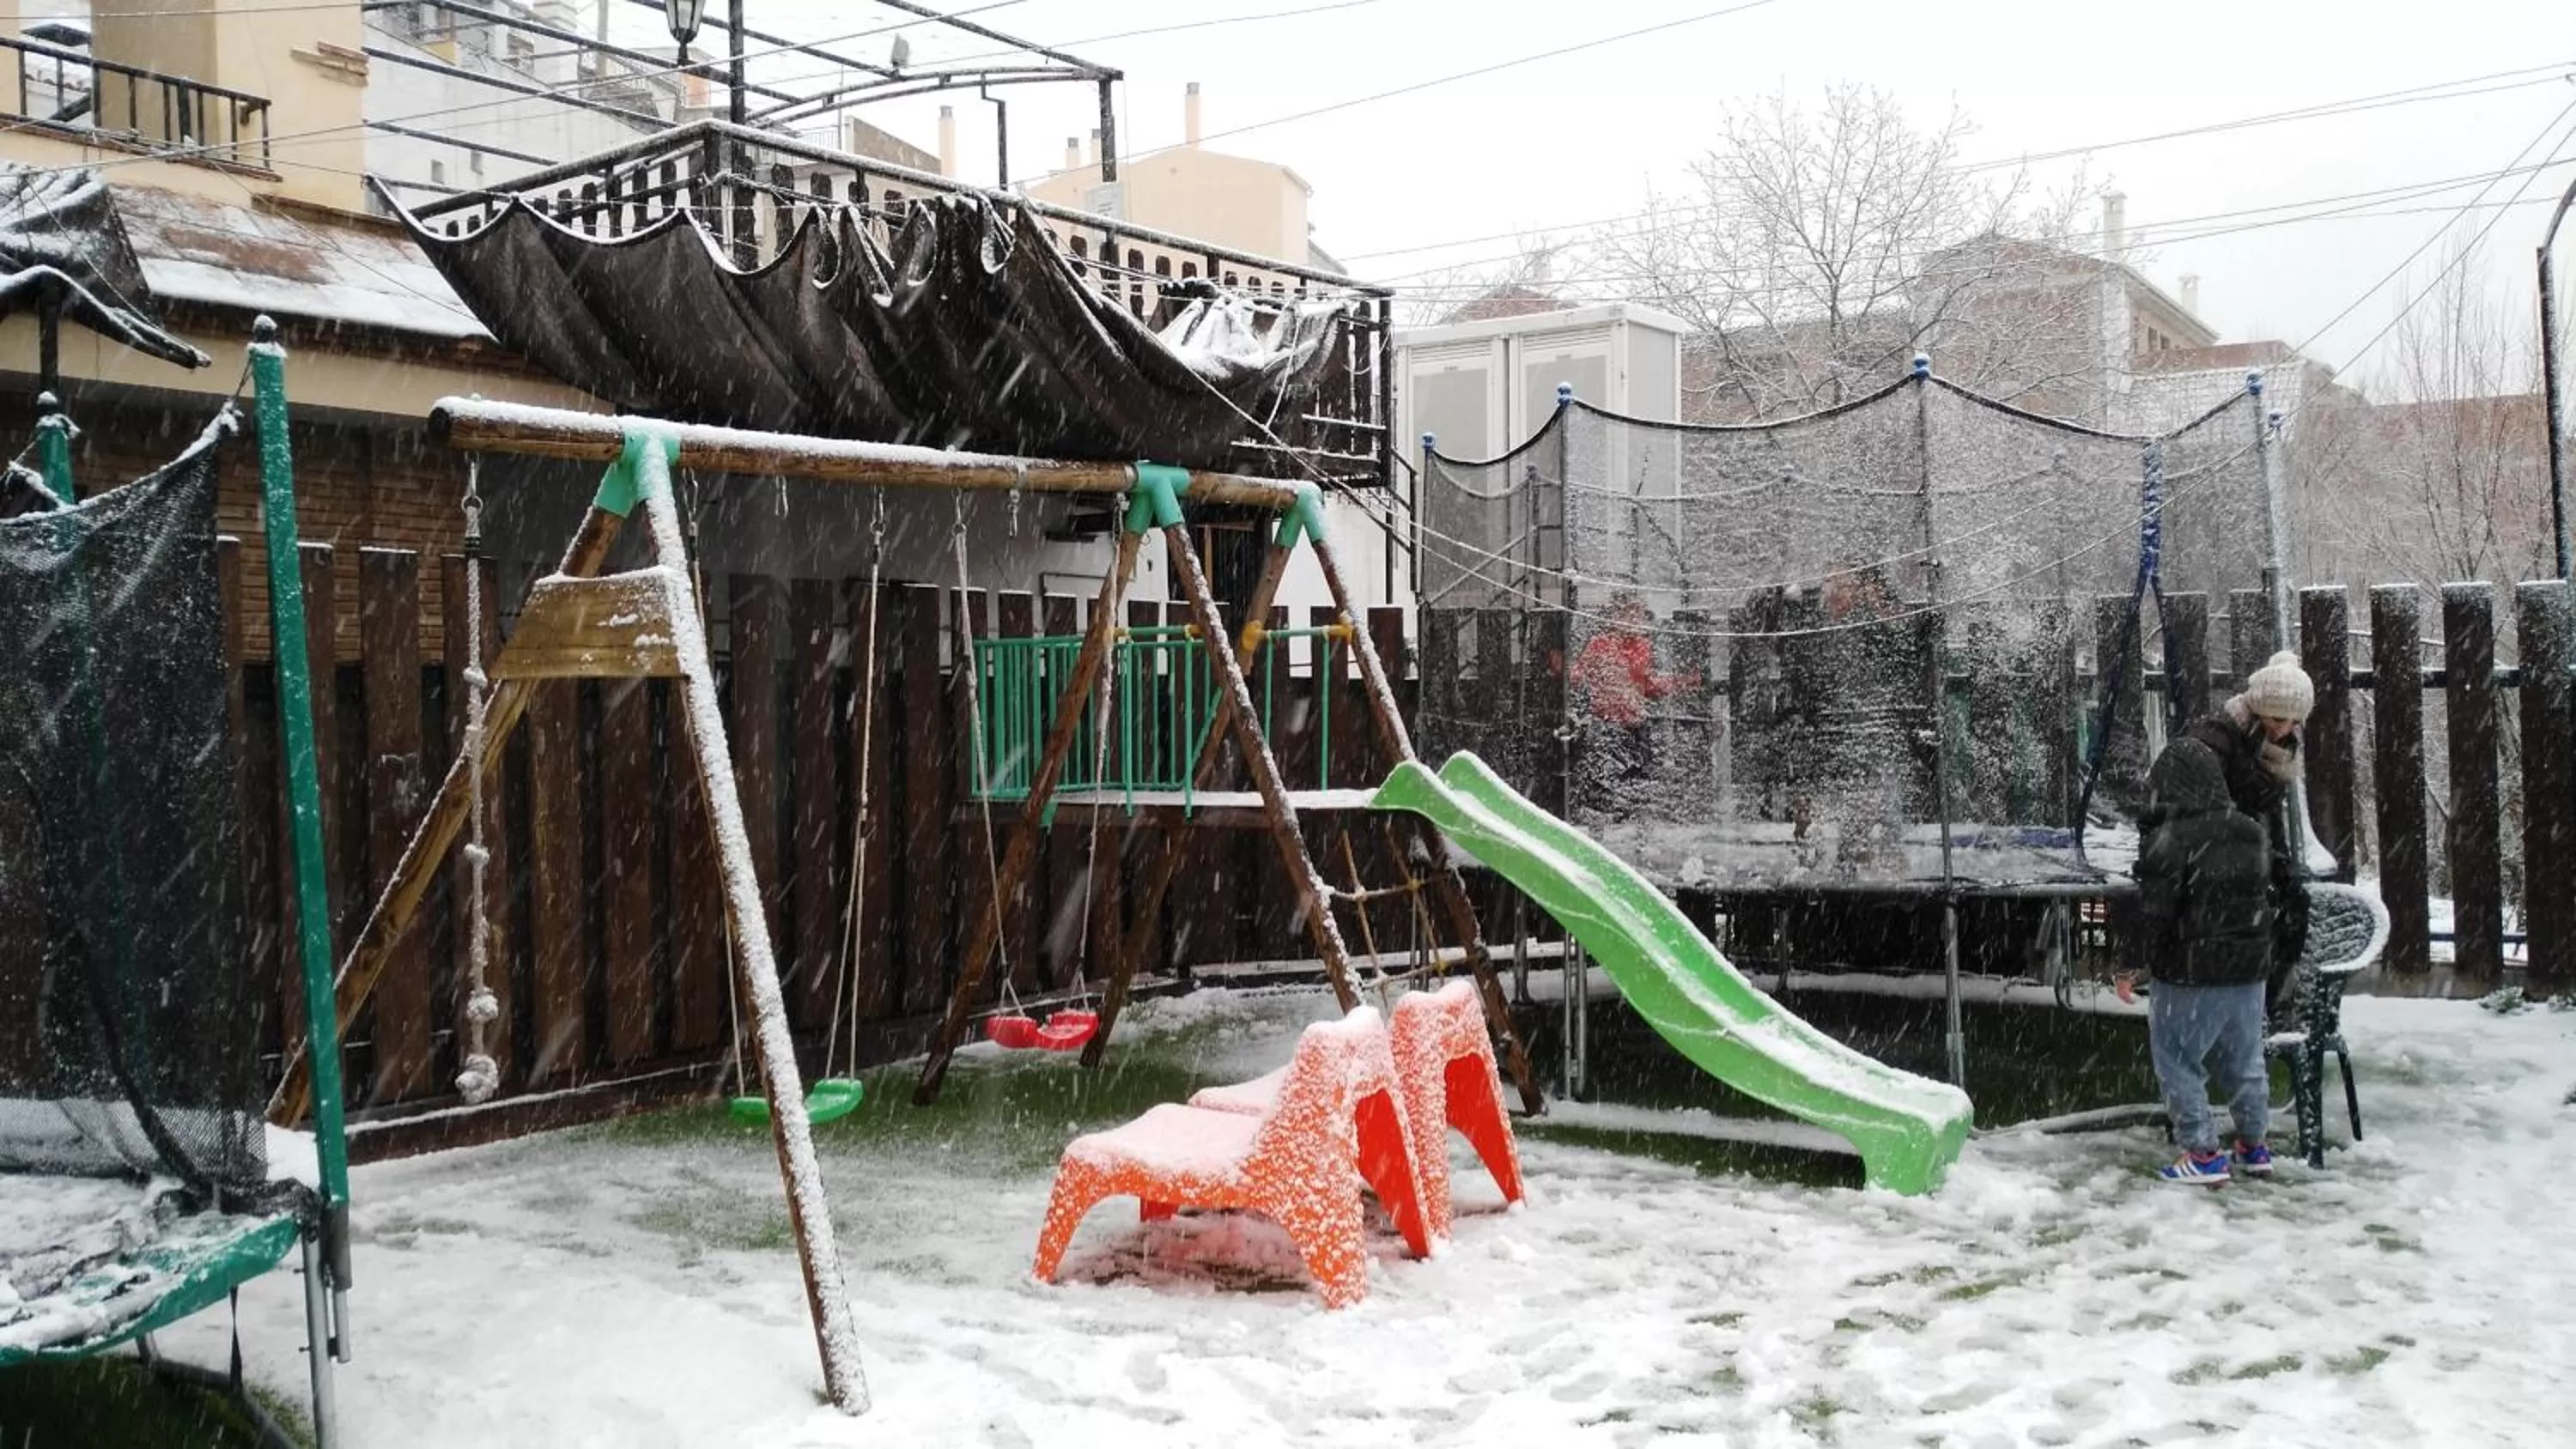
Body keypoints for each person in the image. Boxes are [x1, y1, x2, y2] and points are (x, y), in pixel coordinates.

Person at [2123, 737, 2276, 1184]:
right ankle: (2253, 1145)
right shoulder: (2251, 829)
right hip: (2250, 970)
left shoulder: (2168, 840)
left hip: (2190, 970)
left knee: (2178, 1060)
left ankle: (2202, 1153)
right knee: (2246, 1061)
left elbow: (2153, 913)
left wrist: (2132, 964)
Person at [2175, 650, 2317, 1018]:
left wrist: (2280, 862)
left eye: (2292, 721)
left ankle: (2270, 1006)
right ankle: (2241, 1009)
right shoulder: (2216, 740)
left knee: (2294, 904)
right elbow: (2204, 810)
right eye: (2276, 718)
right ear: (2256, 709)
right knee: (2249, 915)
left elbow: (2269, 812)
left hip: (2245, 851)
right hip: (2204, 855)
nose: (2283, 728)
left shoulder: (2275, 748)